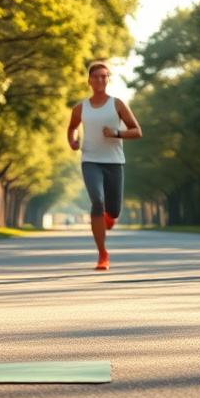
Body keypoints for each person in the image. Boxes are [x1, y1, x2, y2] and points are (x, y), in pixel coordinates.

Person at [66, 61, 142, 270]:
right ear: (89, 80)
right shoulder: (81, 108)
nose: (100, 79)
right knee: (97, 202)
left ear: (108, 79)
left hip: (114, 162)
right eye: (96, 76)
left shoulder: (117, 104)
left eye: (104, 76)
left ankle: (108, 218)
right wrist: (72, 142)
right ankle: (102, 253)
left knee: (114, 211)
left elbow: (137, 131)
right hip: (90, 161)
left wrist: (117, 133)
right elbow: (72, 128)